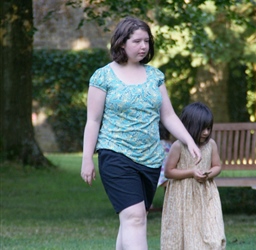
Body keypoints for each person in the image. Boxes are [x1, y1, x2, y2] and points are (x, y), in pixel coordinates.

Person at [80, 16, 201, 250]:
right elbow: (93, 121)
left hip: (150, 159)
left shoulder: (155, 76)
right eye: (137, 41)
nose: (143, 46)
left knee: (133, 218)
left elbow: (168, 116)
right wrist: (87, 159)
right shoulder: (103, 76)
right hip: (115, 154)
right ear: (121, 43)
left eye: (147, 41)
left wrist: (188, 140)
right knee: (134, 217)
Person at [160, 102, 226, 250]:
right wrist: (191, 172)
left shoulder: (211, 145)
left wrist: (208, 174)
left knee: (212, 231)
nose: (206, 132)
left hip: (206, 195)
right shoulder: (178, 146)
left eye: (209, 128)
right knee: (185, 232)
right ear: (189, 126)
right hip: (182, 197)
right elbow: (169, 172)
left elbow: (217, 166)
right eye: (203, 128)